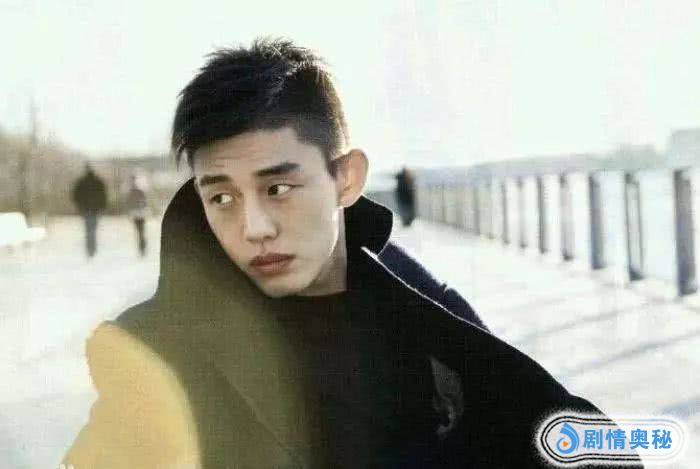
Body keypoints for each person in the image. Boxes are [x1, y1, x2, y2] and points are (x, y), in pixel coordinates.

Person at [62, 39, 640, 468]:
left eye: (278, 188)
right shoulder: (158, 354)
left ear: (345, 179)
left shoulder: (427, 316)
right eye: (222, 198)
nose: (254, 227)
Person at [71, 164, 107, 258]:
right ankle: (92, 249)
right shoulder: (98, 182)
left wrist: (79, 206)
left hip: (86, 209)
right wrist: (102, 207)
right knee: (93, 229)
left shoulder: (81, 182)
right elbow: (103, 196)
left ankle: (89, 249)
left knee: (88, 230)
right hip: (95, 209)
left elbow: (75, 196)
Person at [124, 174, 149, 257]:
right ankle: (142, 247)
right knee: (141, 231)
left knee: (140, 231)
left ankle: (142, 247)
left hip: (137, 214)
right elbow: (144, 202)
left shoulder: (131, 192)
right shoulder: (138, 191)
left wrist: (129, 213)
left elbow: (128, 204)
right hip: (139, 214)